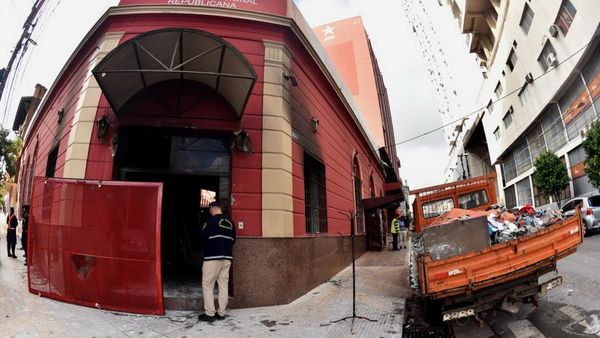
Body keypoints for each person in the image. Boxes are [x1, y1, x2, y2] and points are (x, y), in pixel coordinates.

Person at [198, 201, 236, 322]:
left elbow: (202, 238)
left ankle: (210, 313)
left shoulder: (211, 221)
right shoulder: (231, 223)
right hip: (227, 258)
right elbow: (233, 240)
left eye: (210, 209)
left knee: (207, 284)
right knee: (223, 284)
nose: (210, 212)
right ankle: (221, 312)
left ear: (213, 208)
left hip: (212, 258)